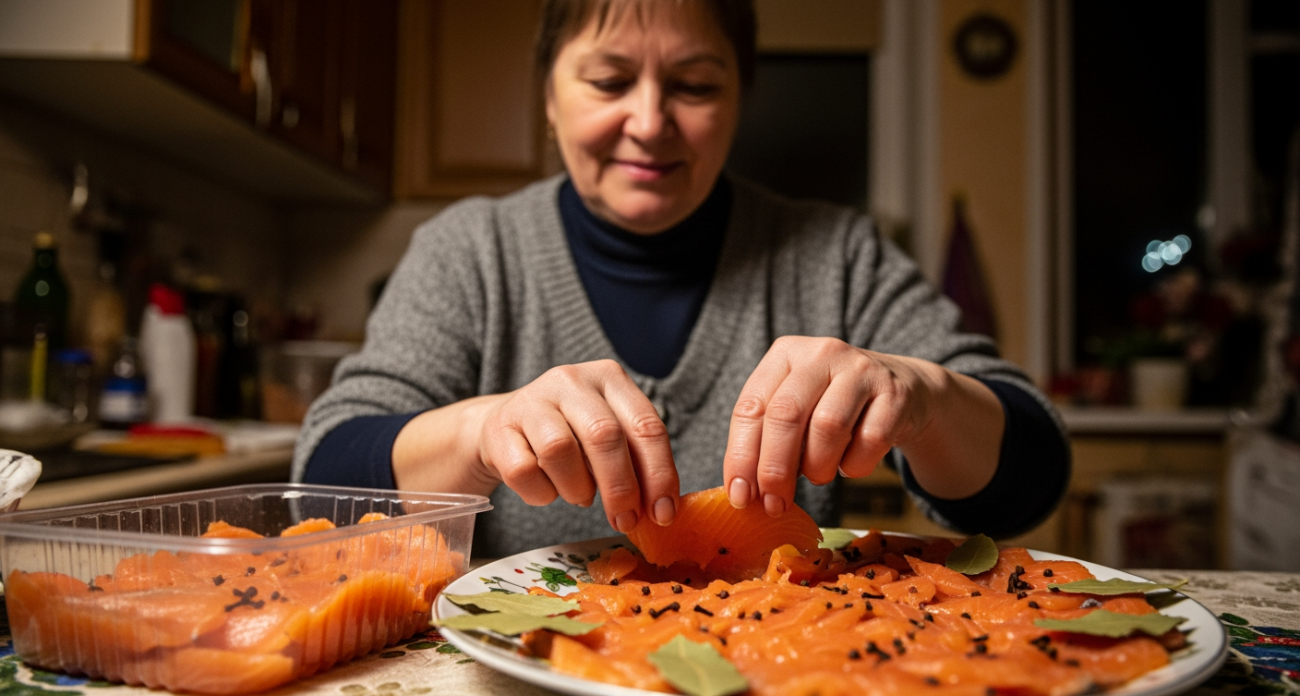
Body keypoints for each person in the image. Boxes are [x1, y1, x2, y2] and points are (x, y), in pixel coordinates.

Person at [294, 0, 1070, 558]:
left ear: (739, 99)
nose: (650, 121)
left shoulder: (836, 254)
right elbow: (324, 483)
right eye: (608, 81)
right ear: (548, 100)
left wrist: (924, 398)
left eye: (695, 86)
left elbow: (1027, 483)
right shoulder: (469, 251)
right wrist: (480, 432)